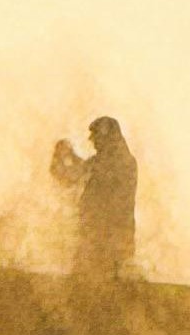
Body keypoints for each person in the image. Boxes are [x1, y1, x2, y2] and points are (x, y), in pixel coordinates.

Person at [50, 115, 138, 279]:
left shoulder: (119, 162)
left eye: (96, 136)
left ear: (106, 137)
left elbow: (80, 173)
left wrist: (65, 156)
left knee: (94, 287)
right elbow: (83, 171)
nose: (92, 141)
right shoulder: (117, 161)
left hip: (105, 241)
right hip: (103, 239)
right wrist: (67, 156)